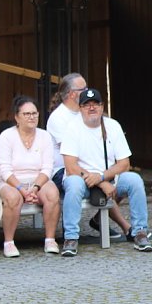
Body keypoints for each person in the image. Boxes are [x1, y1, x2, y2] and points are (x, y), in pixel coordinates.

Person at [59, 88, 152, 256]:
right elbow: (71, 166)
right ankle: (71, 237)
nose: (91, 108)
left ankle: (140, 233)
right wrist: (100, 182)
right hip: (82, 179)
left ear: (102, 107)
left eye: (96, 104)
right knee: (72, 183)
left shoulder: (113, 126)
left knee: (134, 180)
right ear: (80, 108)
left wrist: (102, 177)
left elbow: (124, 163)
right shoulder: (72, 128)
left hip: (108, 176)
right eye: (86, 105)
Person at [47, 73, 124, 239]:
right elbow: (71, 159)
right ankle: (127, 227)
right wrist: (101, 180)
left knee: (122, 179)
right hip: (63, 170)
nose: (88, 91)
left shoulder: (84, 112)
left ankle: (99, 220)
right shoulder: (58, 118)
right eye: (84, 89)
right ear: (74, 94)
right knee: (94, 182)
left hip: (89, 166)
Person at [0, 96, 61, 257]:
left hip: (38, 179)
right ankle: (9, 242)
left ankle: (50, 240)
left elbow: (48, 167)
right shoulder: (6, 136)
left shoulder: (45, 136)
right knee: (12, 198)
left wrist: (35, 187)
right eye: (26, 114)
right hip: (12, 180)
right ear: (17, 117)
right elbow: (4, 169)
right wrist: (22, 190)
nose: (32, 117)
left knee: (53, 194)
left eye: (34, 113)